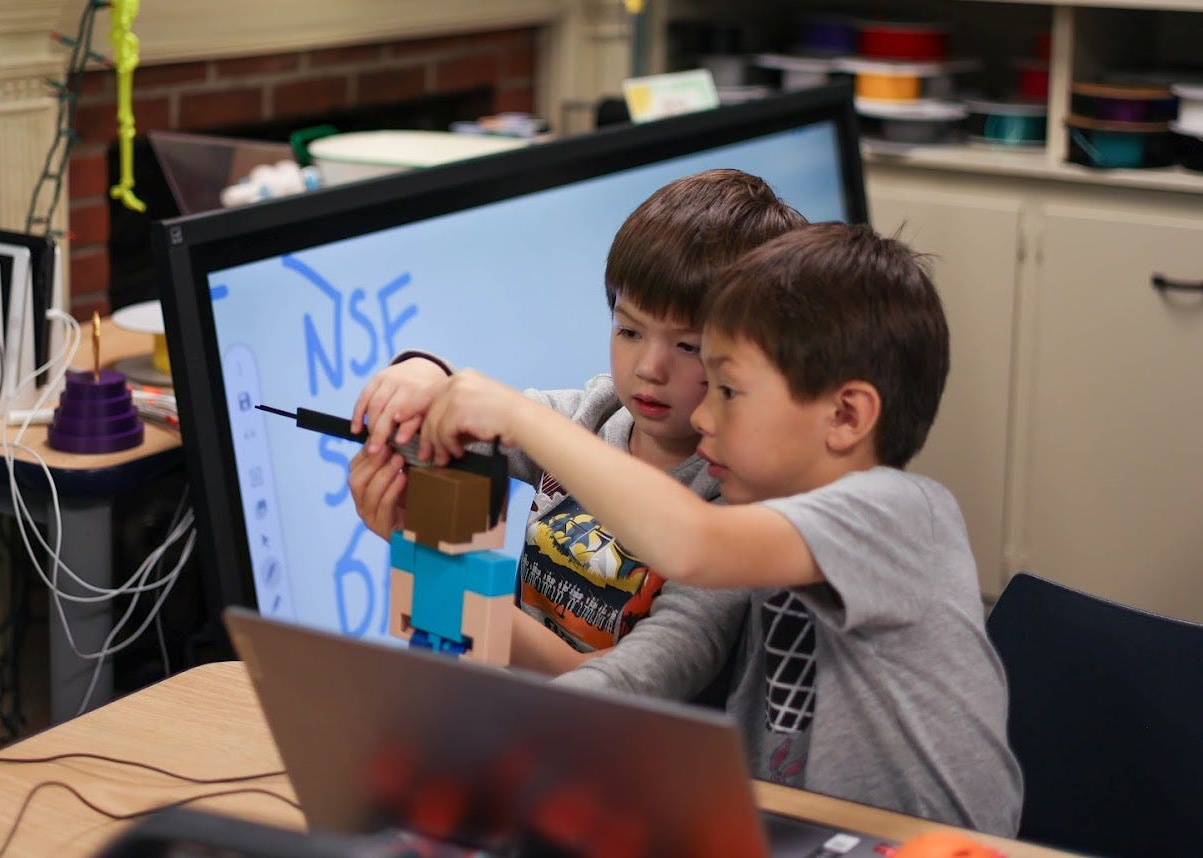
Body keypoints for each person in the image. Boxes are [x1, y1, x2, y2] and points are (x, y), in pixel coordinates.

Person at [409, 222, 1024, 835]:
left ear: (846, 415)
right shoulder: (763, 516)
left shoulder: (897, 514)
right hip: (799, 832)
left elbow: (691, 545)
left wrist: (515, 416)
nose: (703, 416)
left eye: (728, 391)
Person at [348, 169, 807, 676]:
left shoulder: (737, 498)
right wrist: (425, 373)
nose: (649, 369)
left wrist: (442, 581)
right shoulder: (596, 411)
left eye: (687, 346)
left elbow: (625, 684)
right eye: (629, 331)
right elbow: (460, 427)